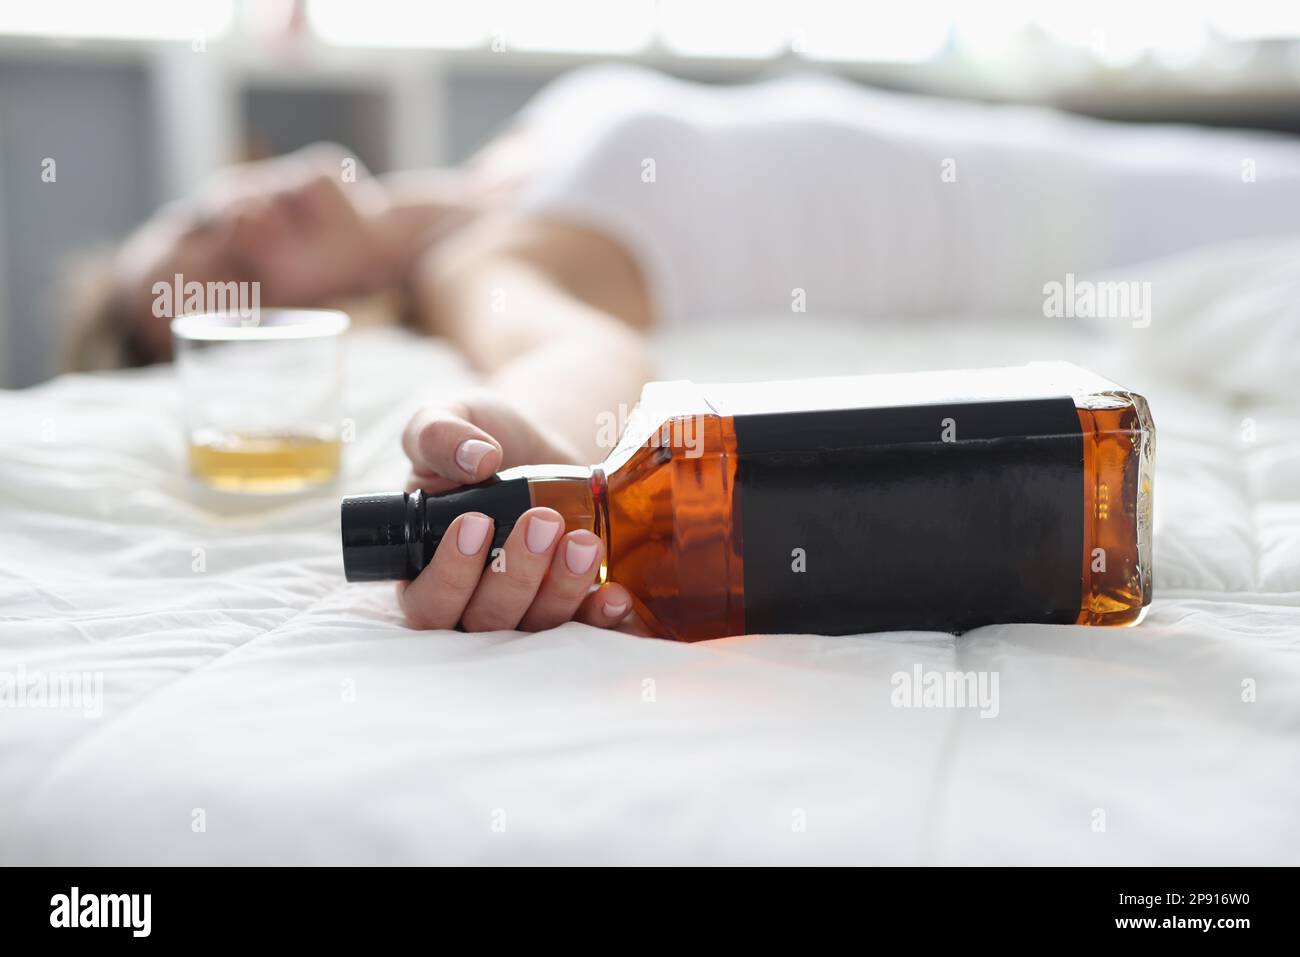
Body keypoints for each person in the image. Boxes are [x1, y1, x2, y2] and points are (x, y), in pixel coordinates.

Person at [71, 64, 1300, 634]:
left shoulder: (511, 157)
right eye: (223, 281)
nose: (231, 226)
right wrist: (520, 452)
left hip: (1119, 159)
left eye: (192, 218)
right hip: (1180, 235)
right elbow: (567, 348)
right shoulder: (484, 266)